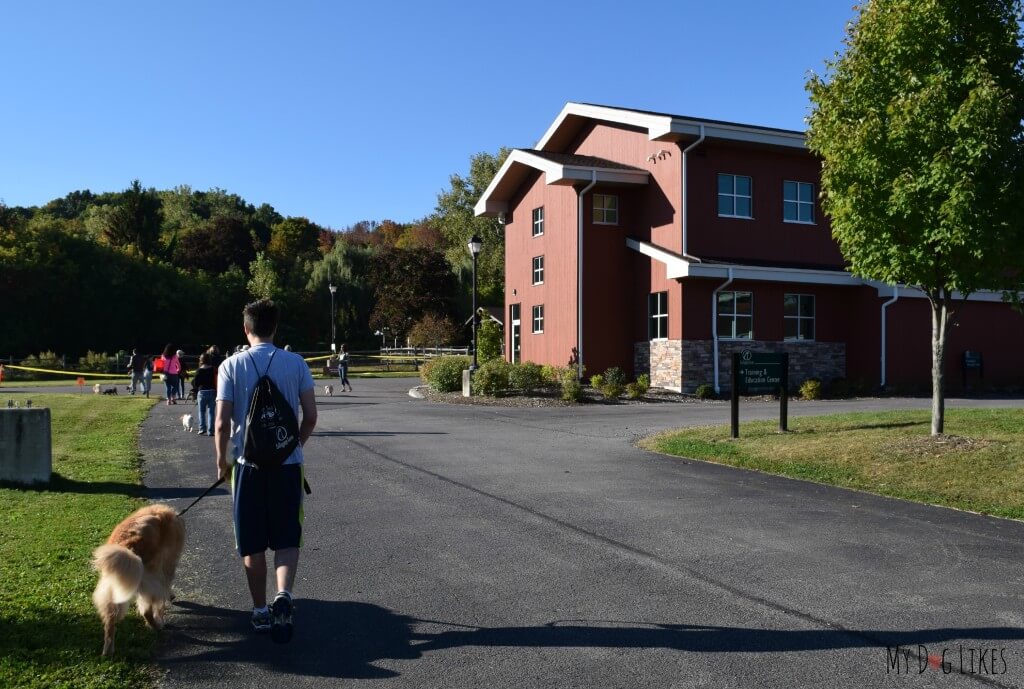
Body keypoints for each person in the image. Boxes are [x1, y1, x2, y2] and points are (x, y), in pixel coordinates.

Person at [215, 299, 317, 643]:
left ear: (246, 329)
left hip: (248, 466)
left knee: (251, 541)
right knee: (288, 537)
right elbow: (311, 415)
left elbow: (221, 423)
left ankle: (260, 610)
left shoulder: (230, 365)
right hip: (288, 466)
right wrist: (294, 445)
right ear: (275, 328)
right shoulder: (296, 363)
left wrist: (223, 461)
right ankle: (283, 595)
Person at [191, 353, 217, 435]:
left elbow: (195, 383)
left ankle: (202, 428)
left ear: (201, 360)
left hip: (202, 392)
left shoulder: (199, 370)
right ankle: (211, 430)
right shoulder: (213, 369)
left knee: (201, 411)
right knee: (211, 412)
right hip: (212, 391)